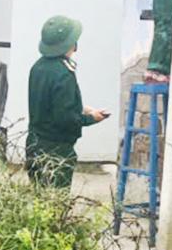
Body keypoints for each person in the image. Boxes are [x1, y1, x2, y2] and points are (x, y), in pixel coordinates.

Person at [25, 15, 110, 188]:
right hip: (56, 151)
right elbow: (65, 120)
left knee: (39, 198)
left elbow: (48, 103)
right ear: (71, 44)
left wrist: (82, 108)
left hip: (34, 144)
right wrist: (92, 118)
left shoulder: (38, 67)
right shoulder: (63, 74)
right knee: (56, 200)